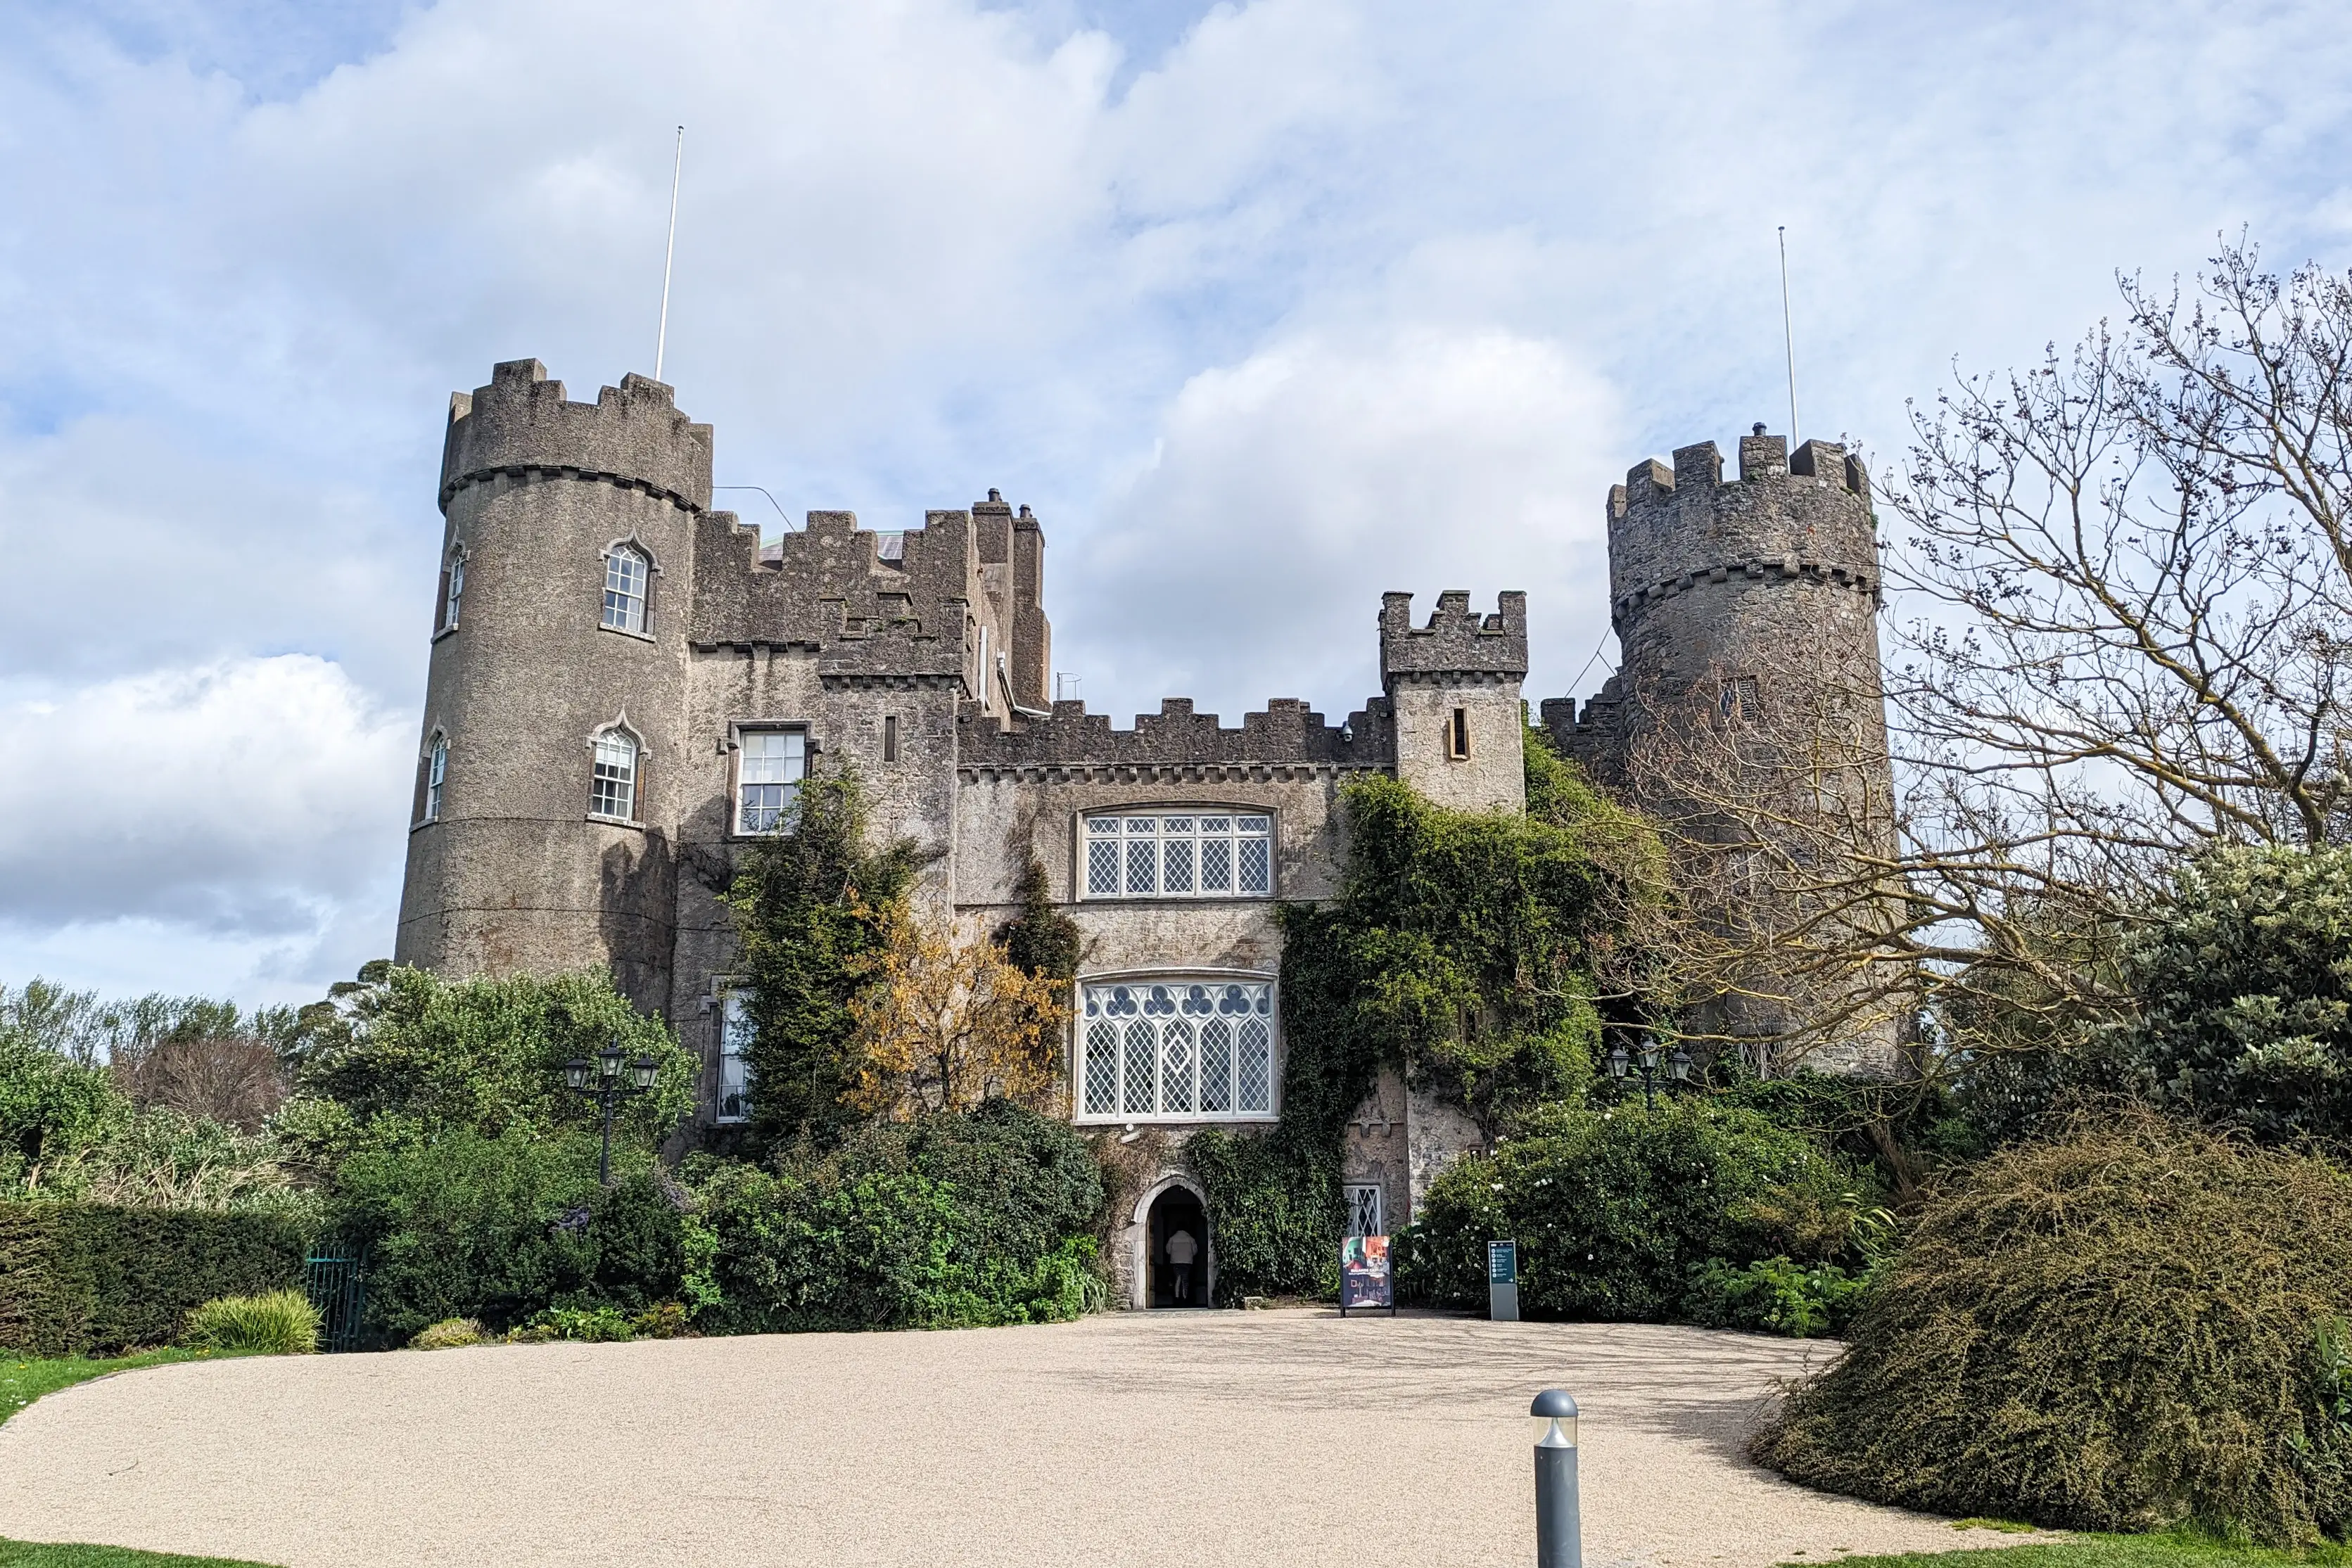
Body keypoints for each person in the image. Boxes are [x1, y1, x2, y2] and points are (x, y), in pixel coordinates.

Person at [1167, 1227, 1198, 1304]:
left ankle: (1177, 1297)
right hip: (1187, 1262)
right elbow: (1195, 1251)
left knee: (1177, 1279)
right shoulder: (1191, 1239)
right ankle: (1185, 1297)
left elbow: (1168, 1251)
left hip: (1175, 1262)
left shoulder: (1172, 1238)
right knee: (1185, 1279)